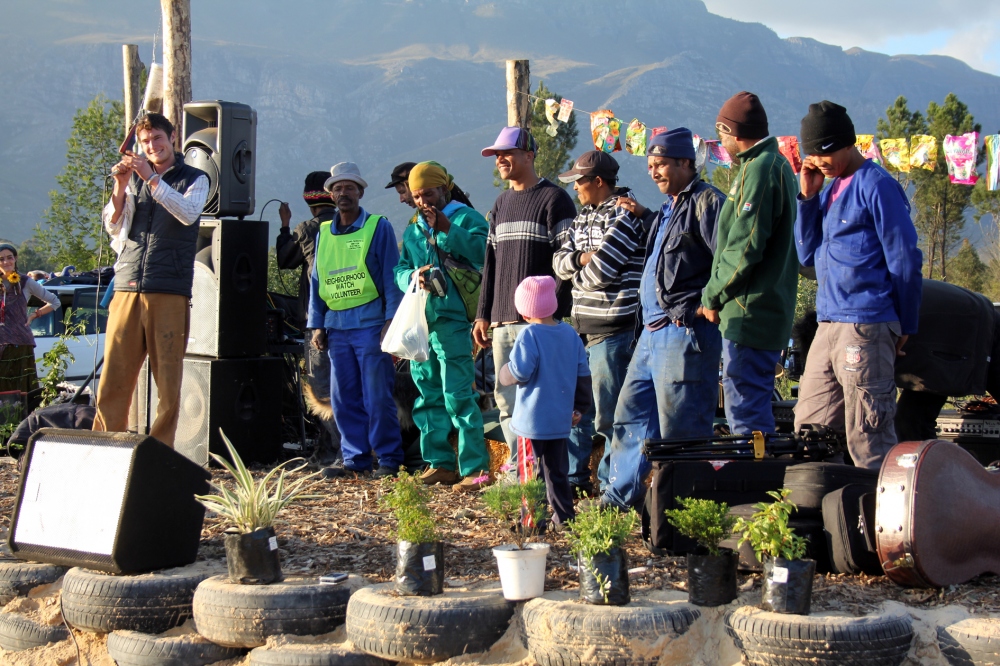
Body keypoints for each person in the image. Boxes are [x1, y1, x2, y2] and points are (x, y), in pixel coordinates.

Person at [597, 129, 725, 511]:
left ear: (686, 162)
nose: (654, 172)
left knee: (681, 426)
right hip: (650, 334)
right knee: (630, 417)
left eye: (662, 164)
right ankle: (619, 500)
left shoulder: (708, 202)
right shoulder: (668, 209)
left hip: (683, 332)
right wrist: (644, 214)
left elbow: (727, 259)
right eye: (650, 165)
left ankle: (684, 511)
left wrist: (706, 304)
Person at [793, 101, 923, 468]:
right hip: (828, 322)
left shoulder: (877, 185)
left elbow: (905, 259)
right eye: (814, 154)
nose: (821, 161)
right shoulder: (828, 190)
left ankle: (878, 503)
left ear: (848, 143)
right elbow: (806, 255)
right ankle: (826, 503)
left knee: (869, 436)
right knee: (810, 431)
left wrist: (905, 324)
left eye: (828, 151)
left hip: (866, 323)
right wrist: (808, 198)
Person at [94, 112, 209, 447]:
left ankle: (160, 453)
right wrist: (120, 184)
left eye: (157, 138)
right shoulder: (133, 179)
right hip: (127, 286)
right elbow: (114, 226)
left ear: (172, 138)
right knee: (113, 378)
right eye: (145, 141)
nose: (151, 145)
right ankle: (106, 447)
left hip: (169, 289)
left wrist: (152, 179)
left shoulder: (196, 178)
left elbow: (188, 214)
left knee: (168, 383)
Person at [474, 126, 577, 468]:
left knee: (543, 402)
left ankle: (551, 474)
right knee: (506, 402)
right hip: (503, 322)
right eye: (497, 155)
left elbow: (567, 263)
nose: (500, 160)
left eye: (507, 154)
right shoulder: (500, 203)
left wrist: (551, 316)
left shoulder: (555, 199)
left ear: (529, 156)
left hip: (539, 325)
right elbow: (490, 263)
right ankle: (523, 472)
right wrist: (483, 314)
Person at [792, 280, 1000, 442]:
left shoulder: (856, 328)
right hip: (948, 332)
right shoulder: (847, 312)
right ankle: (924, 476)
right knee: (909, 423)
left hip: (975, 329)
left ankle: (928, 477)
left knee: (912, 424)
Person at [701, 91, 799, 435]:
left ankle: (755, 468)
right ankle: (757, 464)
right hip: (756, 310)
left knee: (746, 414)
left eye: (721, 132)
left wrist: (712, 295)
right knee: (748, 409)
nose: (720, 141)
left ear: (732, 131)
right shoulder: (768, 165)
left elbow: (744, 247)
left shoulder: (761, 169)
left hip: (751, 311)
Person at [393, 161, 492, 491]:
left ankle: (476, 469)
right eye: (417, 196)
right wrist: (413, 276)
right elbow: (400, 269)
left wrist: (449, 229)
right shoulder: (413, 229)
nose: (423, 202)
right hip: (422, 323)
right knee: (427, 395)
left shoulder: (467, 218)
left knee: (459, 395)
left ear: (445, 189)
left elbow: (484, 253)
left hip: (452, 321)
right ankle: (439, 463)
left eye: (429, 194)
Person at [552, 150, 646, 497]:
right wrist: (581, 259)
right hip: (582, 329)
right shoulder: (582, 218)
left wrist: (577, 270)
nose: (575, 188)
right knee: (577, 408)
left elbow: (601, 274)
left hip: (613, 329)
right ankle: (576, 479)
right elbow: (558, 262)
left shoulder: (625, 215)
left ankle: (611, 485)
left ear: (599, 181)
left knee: (610, 413)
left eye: (579, 181)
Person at [308, 161, 404, 478]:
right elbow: (318, 281)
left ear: (360, 192)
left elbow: (391, 277)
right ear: (331, 195)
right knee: (343, 398)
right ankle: (355, 460)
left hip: (371, 326)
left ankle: (389, 459)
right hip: (337, 328)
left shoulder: (378, 227)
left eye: (350, 187)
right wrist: (317, 324)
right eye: (337, 188)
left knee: (377, 397)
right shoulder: (324, 233)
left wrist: (391, 321)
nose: (343, 193)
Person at [499, 276, 591, 527]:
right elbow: (583, 374)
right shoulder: (570, 334)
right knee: (557, 472)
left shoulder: (529, 335)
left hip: (531, 422)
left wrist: (504, 373)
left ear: (524, 311)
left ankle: (532, 522)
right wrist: (579, 407)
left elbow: (520, 372)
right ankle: (565, 519)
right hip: (560, 419)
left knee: (529, 474)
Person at [276, 171, 342, 466]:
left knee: (320, 388)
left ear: (309, 199)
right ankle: (331, 451)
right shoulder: (349, 225)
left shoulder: (307, 229)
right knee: (345, 386)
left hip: (316, 322)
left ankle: (341, 452)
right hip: (350, 318)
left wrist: (285, 226)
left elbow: (285, 260)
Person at [0, 244, 60, 393]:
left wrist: (34, 314)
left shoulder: (26, 282)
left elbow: (55, 301)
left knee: (21, 391)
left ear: (15, 258)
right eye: (1, 259)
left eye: (9, 257)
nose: (6, 262)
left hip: (20, 344)